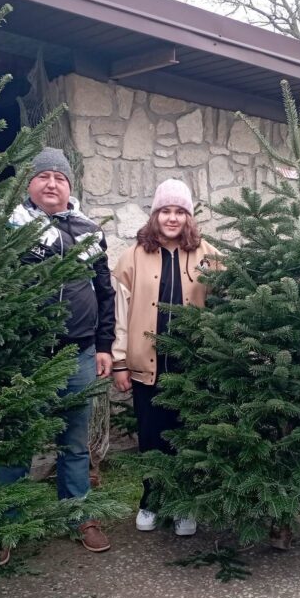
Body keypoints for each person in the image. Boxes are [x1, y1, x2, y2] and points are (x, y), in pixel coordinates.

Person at [0, 147, 115, 559]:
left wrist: (104, 346)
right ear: (30, 184)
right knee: (17, 441)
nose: (52, 184)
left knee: (74, 442)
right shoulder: (10, 228)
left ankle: (79, 514)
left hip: (80, 355)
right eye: (44, 177)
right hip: (27, 356)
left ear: (70, 187)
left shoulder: (89, 229)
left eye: (60, 178)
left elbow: (104, 291)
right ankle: (5, 525)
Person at [111, 179, 220, 536]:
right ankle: (151, 500)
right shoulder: (132, 257)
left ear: (188, 217)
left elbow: (227, 304)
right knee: (152, 435)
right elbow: (119, 314)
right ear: (155, 215)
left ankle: (185, 504)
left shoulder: (209, 255)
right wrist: (120, 362)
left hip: (191, 367)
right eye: (165, 211)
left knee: (186, 436)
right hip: (147, 367)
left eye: (179, 211)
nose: (172, 218)